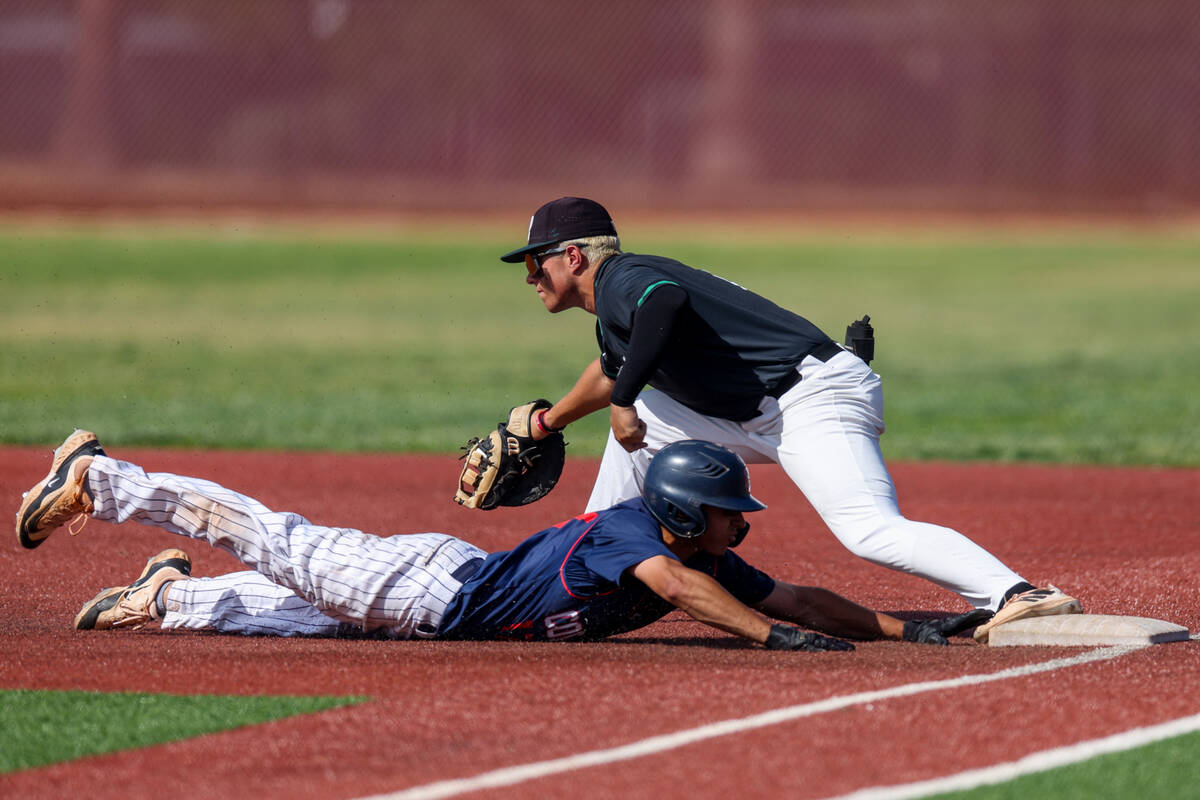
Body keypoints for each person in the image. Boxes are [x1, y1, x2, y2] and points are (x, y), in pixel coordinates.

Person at [498, 196, 1081, 644]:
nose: (529, 277)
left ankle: (1017, 592)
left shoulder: (625, 278)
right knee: (649, 418)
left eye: (534, 262)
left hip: (813, 398)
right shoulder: (614, 311)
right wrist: (547, 423)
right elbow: (608, 373)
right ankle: (600, 555)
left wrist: (624, 399)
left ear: (573, 256)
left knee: (867, 529)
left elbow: (664, 306)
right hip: (757, 409)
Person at [15, 430, 989, 648]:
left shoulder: (702, 553)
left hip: (447, 597)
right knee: (277, 538)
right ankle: (102, 479)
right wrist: (766, 639)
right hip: (425, 585)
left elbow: (792, 596)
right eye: (735, 511)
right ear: (692, 510)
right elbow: (696, 597)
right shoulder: (636, 533)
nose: (745, 525)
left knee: (315, 619)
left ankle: (164, 596)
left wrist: (903, 629)